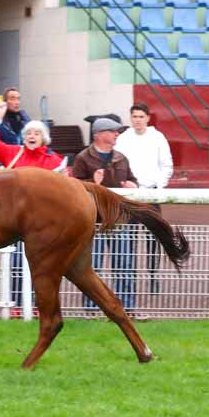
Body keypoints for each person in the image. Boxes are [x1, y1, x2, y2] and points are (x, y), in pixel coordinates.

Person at [0, 120, 67, 313]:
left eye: (37, 133)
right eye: (29, 133)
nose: (32, 136)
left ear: (43, 138)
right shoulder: (14, 153)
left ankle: (40, 306)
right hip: (15, 223)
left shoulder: (54, 161)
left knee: (42, 268)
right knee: (16, 265)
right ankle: (17, 306)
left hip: (43, 224)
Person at [72, 118, 138, 311]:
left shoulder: (121, 158)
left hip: (118, 218)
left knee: (124, 265)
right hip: (93, 220)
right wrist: (93, 182)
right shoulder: (83, 158)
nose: (117, 134)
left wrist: (133, 184)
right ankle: (91, 309)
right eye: (113, 131)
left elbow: (132, 179)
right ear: (99, 134)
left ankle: (127, 308)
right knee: (92, 267)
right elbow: (73, 187)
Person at [115, 102, 174, 294]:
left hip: (151, 194)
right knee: (128, 238)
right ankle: (128, 277)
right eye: (134, 116)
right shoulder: (123, 139)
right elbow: (118, 163)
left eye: (141, 117)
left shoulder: (158, 137)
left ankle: (153, 275)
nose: (138, 120)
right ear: (130, 118)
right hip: (130, 196)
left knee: (153, 238)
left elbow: (167, 165)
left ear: (147, 118)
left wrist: (158, 186)